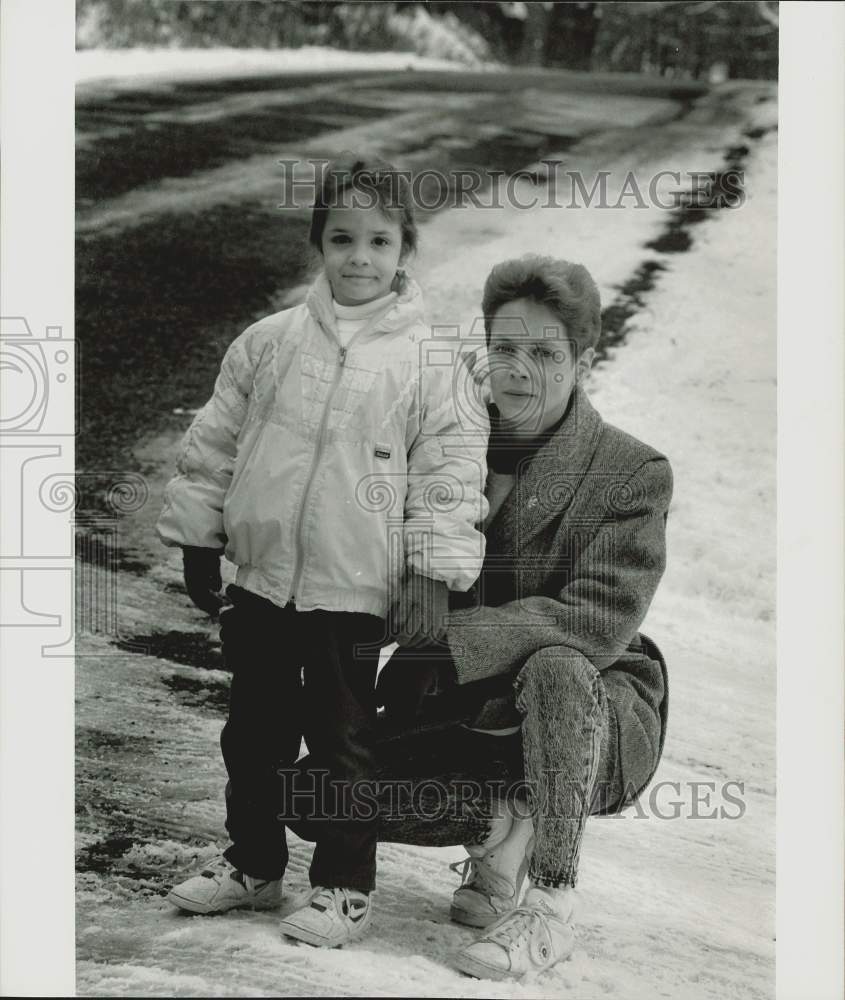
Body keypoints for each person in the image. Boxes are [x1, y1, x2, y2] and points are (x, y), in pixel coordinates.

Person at [284, 254, 673, 980]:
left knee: (556, 662)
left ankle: (549, 902)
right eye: (504, 348)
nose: (518, 369)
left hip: (590, 711)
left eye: (544, 353)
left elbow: (597, 618)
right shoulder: (445, 441)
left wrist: (452, 641)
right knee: (309, 793)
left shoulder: (631, 471)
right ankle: (500, 822)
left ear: (583, 359)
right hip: (464, 710)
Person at [156, 155, 488, 948]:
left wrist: (430, 573)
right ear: (318, 242)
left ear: (405, 249)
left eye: (378, 240)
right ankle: (254, 864)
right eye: (342, 238)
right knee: (254, 732)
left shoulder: (427, 361)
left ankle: (341, 885)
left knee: (344, 743)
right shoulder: (269, 342)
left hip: (354, 592)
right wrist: (201, 535)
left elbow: (448, 471)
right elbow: (215, 443)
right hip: (264, 581)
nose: (359, 257)